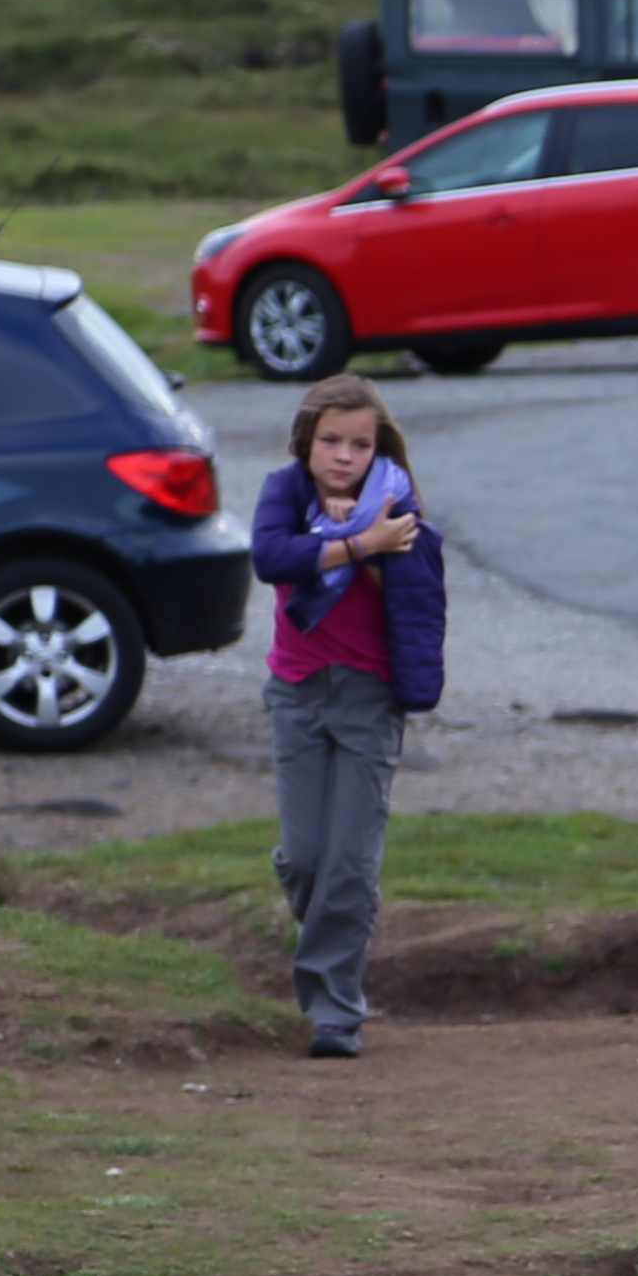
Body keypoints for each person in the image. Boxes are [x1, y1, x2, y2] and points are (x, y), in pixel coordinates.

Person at [246, 373, 448, 1060]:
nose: (344, 456)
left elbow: (419, 585)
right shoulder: (285, 491)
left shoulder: (394, 501)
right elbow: (271, 557)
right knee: (307, 860)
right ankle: (333, 924)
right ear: (306, 442)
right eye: (331, 441)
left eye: (359, 444)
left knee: (351, 866)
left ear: (377, 447)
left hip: (369, 699)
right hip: (298, 693)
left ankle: (335, 1013)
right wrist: (357, 545)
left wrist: (376, 545)